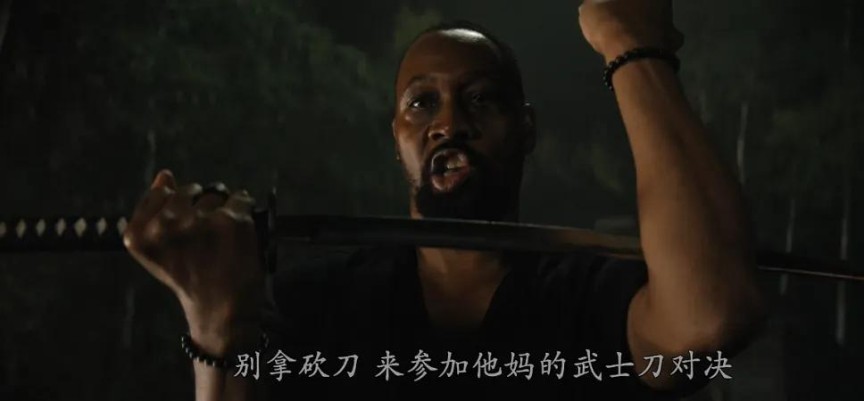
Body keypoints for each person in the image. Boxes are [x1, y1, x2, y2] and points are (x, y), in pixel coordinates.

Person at [122, 0, 766, 400]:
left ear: (526, 128)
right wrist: (215, 322)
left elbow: (711, 319)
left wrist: (630, 44)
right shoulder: (313, 306)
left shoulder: (593, 296)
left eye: (481, 99)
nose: (449, 124)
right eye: (421, 102)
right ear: (396, 137)